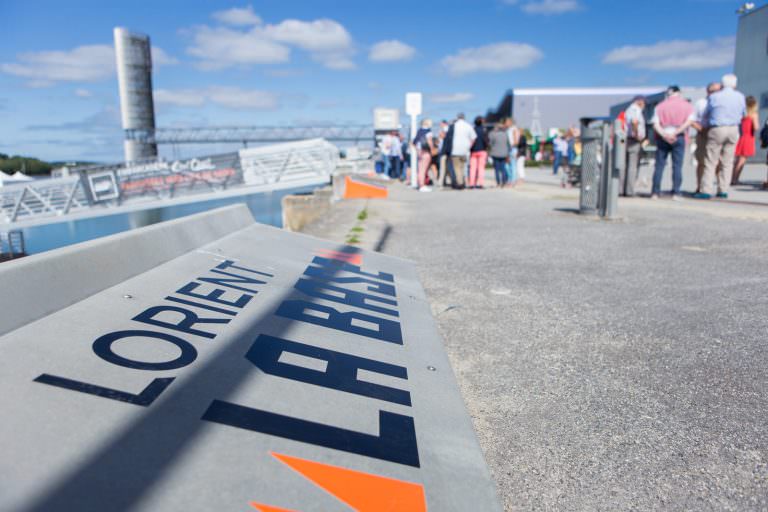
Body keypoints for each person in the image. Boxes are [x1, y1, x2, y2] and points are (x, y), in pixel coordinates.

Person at [697, 74, 746, 199]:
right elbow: (744, 114)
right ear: (734, 84)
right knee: (727, 161)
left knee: (711, 160)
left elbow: (706, 114)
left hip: (717, 128)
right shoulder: (740, 97)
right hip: (733, 128)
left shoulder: (714, 97)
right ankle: (723, 190)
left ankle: (706, 190)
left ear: (722, 84)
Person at [650, 85, 695, 200]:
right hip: (678, 136)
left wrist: (665, 134)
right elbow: (689, 122)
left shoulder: (660, 106)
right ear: (679, 93)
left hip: (663, 135)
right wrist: (675, 132)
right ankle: (676, 192)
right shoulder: (687, 105)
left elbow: (655, 124)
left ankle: (655, 192)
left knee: (659, 165)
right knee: (677, 166)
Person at [692, 82, 722, 193]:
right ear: (708, 92)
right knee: (702, 162)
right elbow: (692, 120)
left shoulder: (722, 103)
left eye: (719, 91)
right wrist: (701, 130)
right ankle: (700, 186)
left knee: (719, 162)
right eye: (713, 91)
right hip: (703, 135)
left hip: (717, 135)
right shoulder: (701, 103)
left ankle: (719, 187)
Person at [732, 96, 759, 186]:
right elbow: (756, 127)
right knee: (742, 160)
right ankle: (735, 179)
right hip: (748, 137)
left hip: (741, 137)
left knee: (737, 160)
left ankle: (733, 178)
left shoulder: (742, 114)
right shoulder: (753, 114)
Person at [622, 95, 646, 197]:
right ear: (639, 101)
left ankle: (621, 189)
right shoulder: (635, 109)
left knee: (624, 165)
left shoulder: (628, 110)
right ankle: (629, 191)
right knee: (632, 167)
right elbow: (634, 122)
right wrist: (636, 135)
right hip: (633, 140)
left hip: (627, 140)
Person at [450, 113, 476, 190]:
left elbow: (449, 138)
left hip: (455, 150)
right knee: (464, 167)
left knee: (457, 167)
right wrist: (469, 146)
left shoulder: (453, 126)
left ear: (457, 118)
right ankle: (463, 181)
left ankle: (460, 183)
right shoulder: (468, 126)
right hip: (465, 150)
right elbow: (474, 138)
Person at [412, 119, 435, 192]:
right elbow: (430, 141)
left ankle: (420, 184)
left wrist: (418, 150)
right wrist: (432, 150)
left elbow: (413, 143)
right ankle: (422, 185)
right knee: (423, 169)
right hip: (426, 151)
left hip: (420, 152)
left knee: (420, 169)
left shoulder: (419, 131)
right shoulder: (428, 131)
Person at [488, 121, 511, 187]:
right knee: (503, 168)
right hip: (504, 154)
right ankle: (504, 182)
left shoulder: (494, 135)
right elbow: (508, 144)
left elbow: (490, 144)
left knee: (497, 169)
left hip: (495, 154)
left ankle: (498, 182)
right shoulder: (506, 135)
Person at [469, 116, 489, 189]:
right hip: (482, 151)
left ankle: (471, 184)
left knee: (472, 168)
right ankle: (480, 184)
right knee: (481, 168)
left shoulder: (472, 129)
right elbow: (486, 141)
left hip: (473, 151)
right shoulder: (484, 130)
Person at [506, 118, 520, 186]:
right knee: (508, 165)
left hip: (512, 149)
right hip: (509, 149)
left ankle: (513, 181)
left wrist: (512, 146)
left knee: (513, 165)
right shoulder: (508, 129)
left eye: (507, 122)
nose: (506, 123)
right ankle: (510, 179)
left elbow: (516, 141)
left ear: (511, 122)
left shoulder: (514, 129)